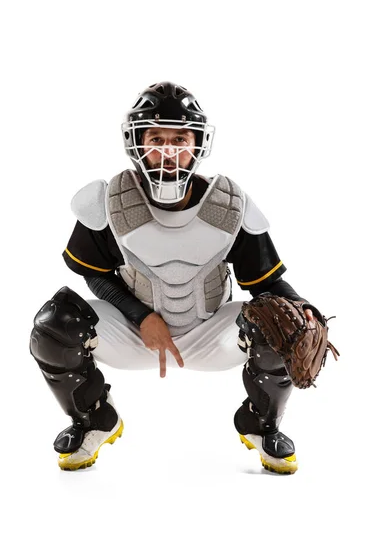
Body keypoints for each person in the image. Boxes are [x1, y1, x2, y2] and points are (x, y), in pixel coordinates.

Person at [30, 81, 319, 474]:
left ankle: (263, 425)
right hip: (136, 336)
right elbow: (94, 274)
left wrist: (305, 310)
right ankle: (92, 419)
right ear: (137, 142)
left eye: (180, 138)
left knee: (279, 322)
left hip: (211, 334)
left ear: (198, 142)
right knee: (54, 326)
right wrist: (140, 316)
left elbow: (265, 284)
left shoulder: (229, 205)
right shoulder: (111, 201)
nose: (168, 151)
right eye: (156, 138)